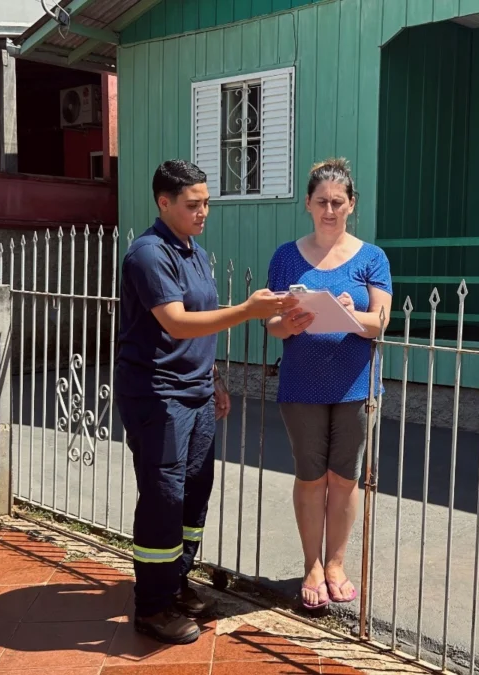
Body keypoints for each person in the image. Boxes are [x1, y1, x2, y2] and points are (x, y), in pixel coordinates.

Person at [116, 159, 298, 644]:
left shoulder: (195, 252)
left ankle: (177, 583)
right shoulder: (148, 255)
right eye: (193, 205)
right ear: (164, 203)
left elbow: (197, 323)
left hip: (195, 391)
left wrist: (214, 378)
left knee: (195, 491)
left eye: (206, 203)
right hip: (158, 395)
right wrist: (247, 311)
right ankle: (151, 607)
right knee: (164, 497)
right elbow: (175, 322)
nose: (203, 213)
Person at [265, 158, 393, 610]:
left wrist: (348, 313)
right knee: (310, 476)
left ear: (351, 205)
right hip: (301, 385)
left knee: (344, 478)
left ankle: (335, 563)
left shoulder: (372, 257)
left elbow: (380, 321)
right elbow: (273, 325)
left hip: (356, 386)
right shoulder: (285, 256)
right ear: (308, 204)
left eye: (338, 202)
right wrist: (292, 321)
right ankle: (311, 565)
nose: (330, 210)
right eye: (322, 201)